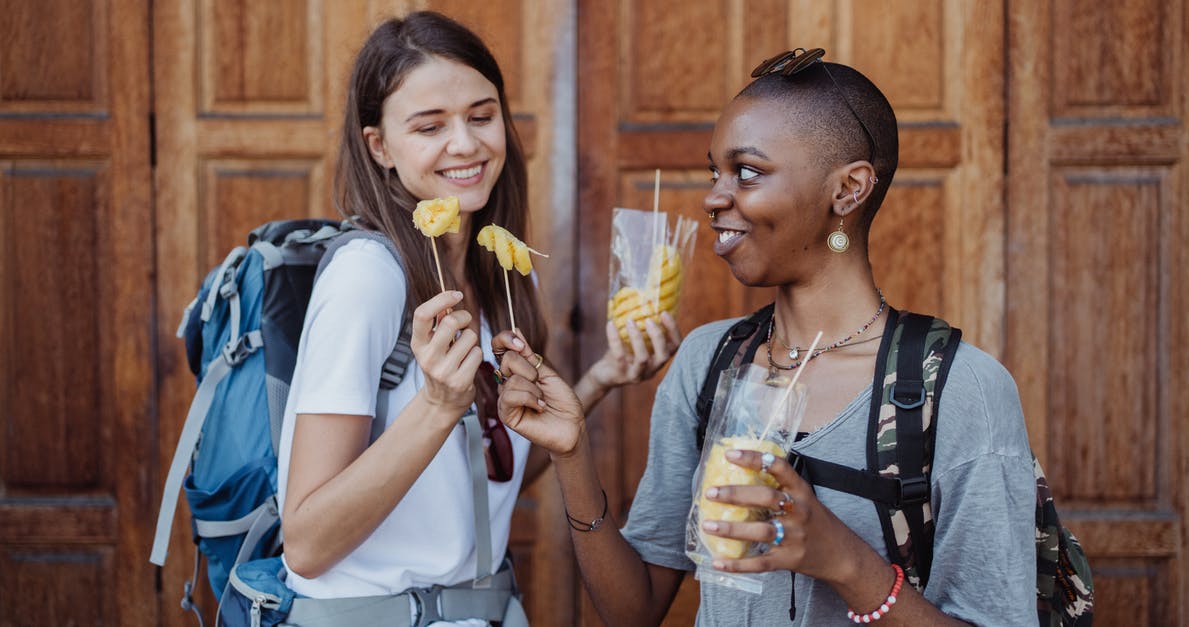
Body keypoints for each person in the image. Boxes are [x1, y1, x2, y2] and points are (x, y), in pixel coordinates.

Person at [492, 48, 1036, 625]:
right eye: (714, 172)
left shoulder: (958, 390)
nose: (713, 197)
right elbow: (632, 611)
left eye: (746, 172)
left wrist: (845, 563)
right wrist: (571, 453)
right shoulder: (710, 361)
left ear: (848, 190)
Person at [276, 10, 680, 620]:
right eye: (429, 126)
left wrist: (601, 377)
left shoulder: (502, 272)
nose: (465, 144)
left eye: (482, 116)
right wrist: (438, 405)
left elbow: (493, 469)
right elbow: (306, 543)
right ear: (378, 146)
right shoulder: (369, 278)